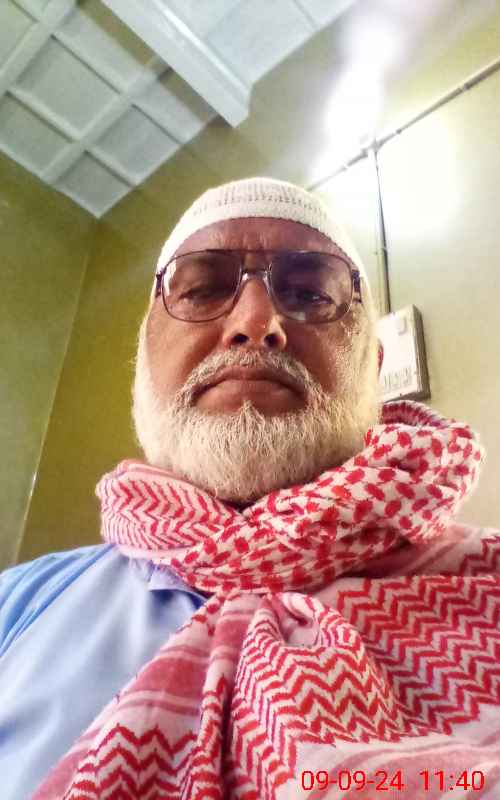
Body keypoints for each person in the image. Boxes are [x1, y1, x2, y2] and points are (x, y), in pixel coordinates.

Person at [1, 177, 499, 800]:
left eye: (310, 293)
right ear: (146, 354)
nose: (256, 323)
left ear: (374, 369)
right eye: (202, 288)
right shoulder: (16, 605)